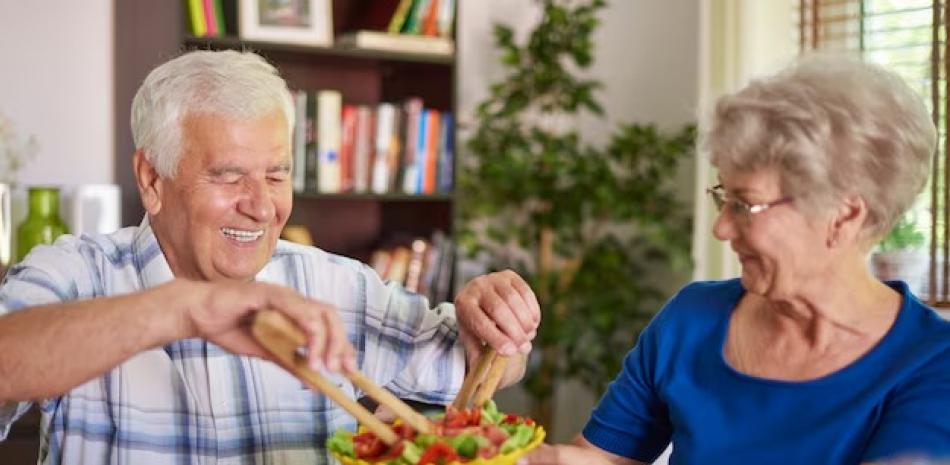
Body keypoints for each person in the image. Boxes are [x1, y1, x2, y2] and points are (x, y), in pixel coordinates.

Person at [0, 50, 540, 465]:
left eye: (277, 175)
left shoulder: (335, 285)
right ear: (151, 179)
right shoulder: (75, 272)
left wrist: (494, 322)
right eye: (228, 175)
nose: (261, 206)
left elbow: (487, 365)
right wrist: (183, 309)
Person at [521, 54, 950, 465]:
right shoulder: (691, 319)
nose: (721, 229)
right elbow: (601, 459)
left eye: (745, 204)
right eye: (723, 198)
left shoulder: (931, 363)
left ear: (843, 216)